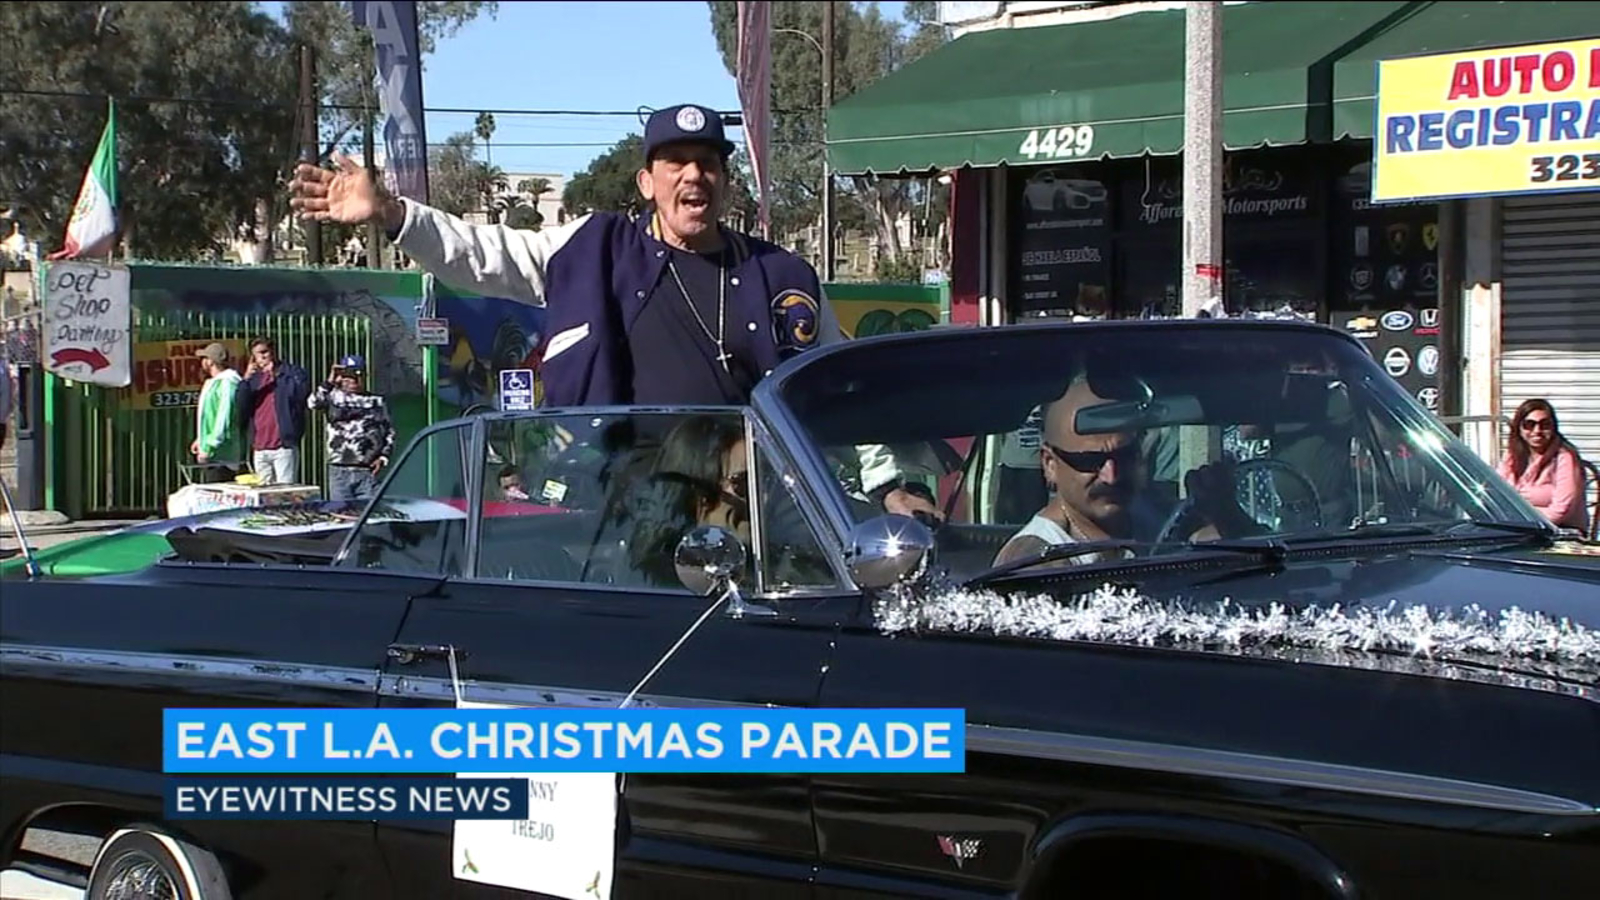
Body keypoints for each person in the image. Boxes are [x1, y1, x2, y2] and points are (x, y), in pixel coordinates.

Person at [288, 102, 936, 523]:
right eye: (676, 163)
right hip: (613, 510)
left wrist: (889, 487)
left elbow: (835, 389)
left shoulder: (781, 277)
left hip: (749, 515)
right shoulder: (593, 249)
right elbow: (484, 254)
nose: (694, 177)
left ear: (726, 180)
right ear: (646, 181)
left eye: (708, 164)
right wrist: (395, 213)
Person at [994, 373, 1259, 566]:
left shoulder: (1153, 515)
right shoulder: (1036, 557)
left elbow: (1250, 558)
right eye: (1091, 461)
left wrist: (1225, 509)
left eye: (1125, 456)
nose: (1111, 475)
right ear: (1050, 465)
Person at [307, 354, 395, 503]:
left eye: (357, 375)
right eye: (348, 375)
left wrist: (383, 457)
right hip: (339, 469)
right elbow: (313, 403)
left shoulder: (376, 401)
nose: (352, 380)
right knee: (342, 514)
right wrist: (329, 381)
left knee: (370, 516)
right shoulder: (333, 397)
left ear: (364, 377)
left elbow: (389, 432)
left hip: (367, 470)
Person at [1497, 398, 1589, 533]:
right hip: (1518, 529)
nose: (1537, 430)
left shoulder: (1565, 457)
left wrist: (1519, 516)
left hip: (1560, 531)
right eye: (1529, 424)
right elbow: (1497, 494)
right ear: (1519, 427)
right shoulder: (1512, 455)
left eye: (1545, 424)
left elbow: (1561, 511)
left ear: (1553, 427)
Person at [236, 337, 311, 486]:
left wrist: (275, 376)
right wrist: (245, 380)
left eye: (265, 352)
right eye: (257, 354)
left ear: (273, 352)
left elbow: (300, 395)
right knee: (263, 493)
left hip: (283, 446)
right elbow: (240, 405)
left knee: (284, 492)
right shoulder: (253, 379)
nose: (262, 357)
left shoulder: (291, 372)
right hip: (260, 446)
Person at [190, 343, 244, 483]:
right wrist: (201, 439)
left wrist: (210, 445)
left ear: (210, 361)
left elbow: (224, 416)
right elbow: (208, 417)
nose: (202, 362)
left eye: (204, 358)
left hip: (221, 455)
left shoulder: (228, 382)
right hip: (212, 451)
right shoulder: (214, 382)